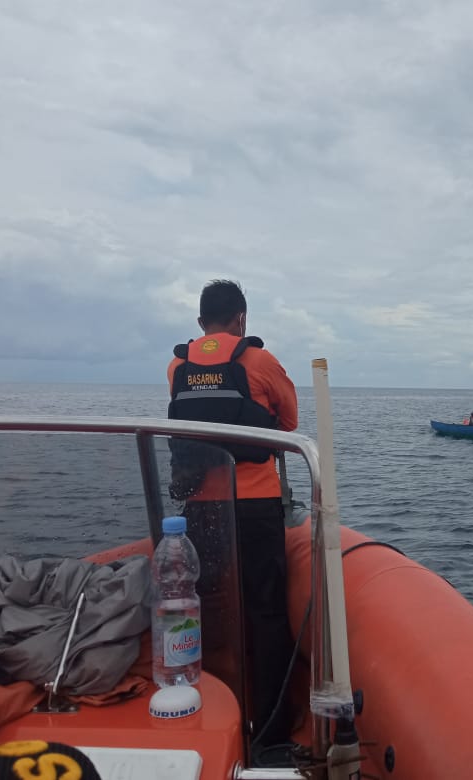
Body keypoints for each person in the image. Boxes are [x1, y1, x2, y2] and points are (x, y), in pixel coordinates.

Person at [166, 279, 298, 747]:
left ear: (200, 323)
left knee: (209, 609)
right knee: (265, 611)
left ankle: (209, 711)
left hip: (201, 510)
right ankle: (270, 726)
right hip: (257, 505)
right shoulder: (258, 360)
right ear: (241, 318)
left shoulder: (177, 366)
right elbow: (289, 423)